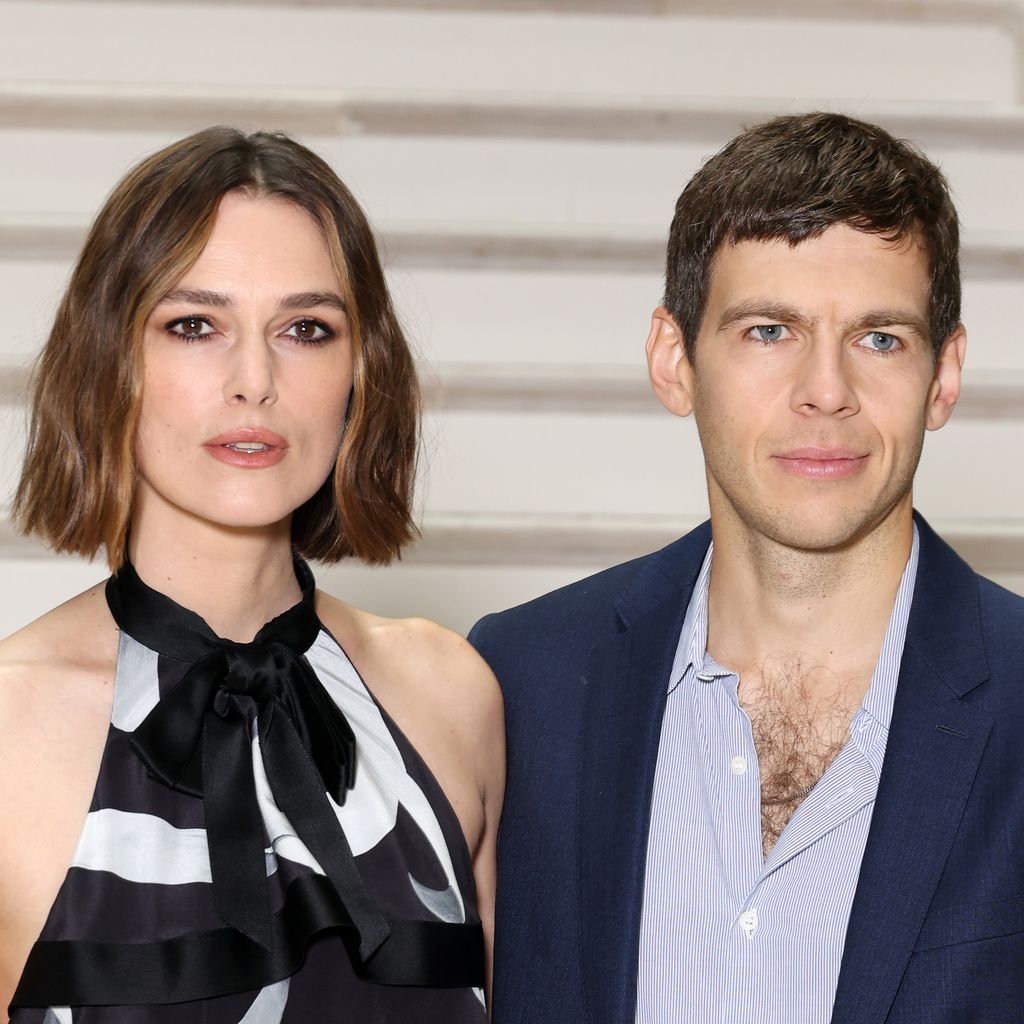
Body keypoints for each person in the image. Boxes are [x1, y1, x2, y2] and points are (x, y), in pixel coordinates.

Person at [470, 112, 1024, 1023]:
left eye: (879, 338)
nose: (827, 391)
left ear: (946, 374)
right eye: (770, 331)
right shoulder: (522, 684)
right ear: (673, 359)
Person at [0, 127, 503, 1022]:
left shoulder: (449, 695)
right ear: (109, 357)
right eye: (195, 325)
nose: (255, 379)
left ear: (362, 371)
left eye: (306, 329)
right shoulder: (9, 726)